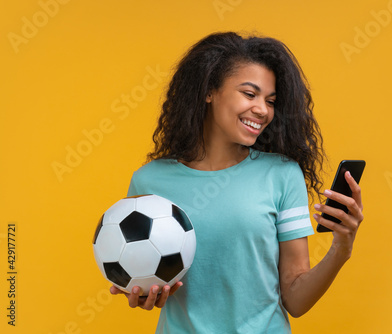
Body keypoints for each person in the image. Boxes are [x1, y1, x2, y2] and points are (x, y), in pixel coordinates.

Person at [110, 31, 364, 333]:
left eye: (270, 101)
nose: (263, 110)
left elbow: (296, 300)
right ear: (209, 91)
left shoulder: (281, 175)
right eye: (249, 94)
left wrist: (342, 248)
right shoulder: (149, 181)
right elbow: (139, 271)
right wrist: (140, 290)